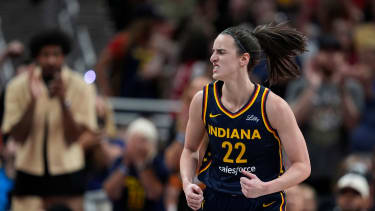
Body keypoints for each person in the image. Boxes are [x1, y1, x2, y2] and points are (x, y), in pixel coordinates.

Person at [180, 22, 311, 211]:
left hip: (262, 202)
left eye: (221, 52)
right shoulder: (202, 100)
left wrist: (266, 187)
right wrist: (187, 183)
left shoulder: (273, 106)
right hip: (217, 199)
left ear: (243, 59)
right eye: (213, 52)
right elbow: (190, 149)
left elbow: (302, 166)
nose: (212, 58)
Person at [1, 29, 97, 211]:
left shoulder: (81, 86)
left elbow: (74, 137)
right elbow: (17, 136)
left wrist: (63, 101)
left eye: (56, 54)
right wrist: (32, 102)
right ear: (37, 57)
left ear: (64, 56)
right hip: (29, 170)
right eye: (45, 55)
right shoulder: (17, 86)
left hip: (68, 170)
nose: (51, 61)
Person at [103, 118, 169, 211]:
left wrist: (140, 163)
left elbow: (154, 194)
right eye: (134, 141)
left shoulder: (157, 163)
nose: (137, 146)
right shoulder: (120, 162)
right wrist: (125, 165)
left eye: (142, 141)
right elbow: (110, 192)